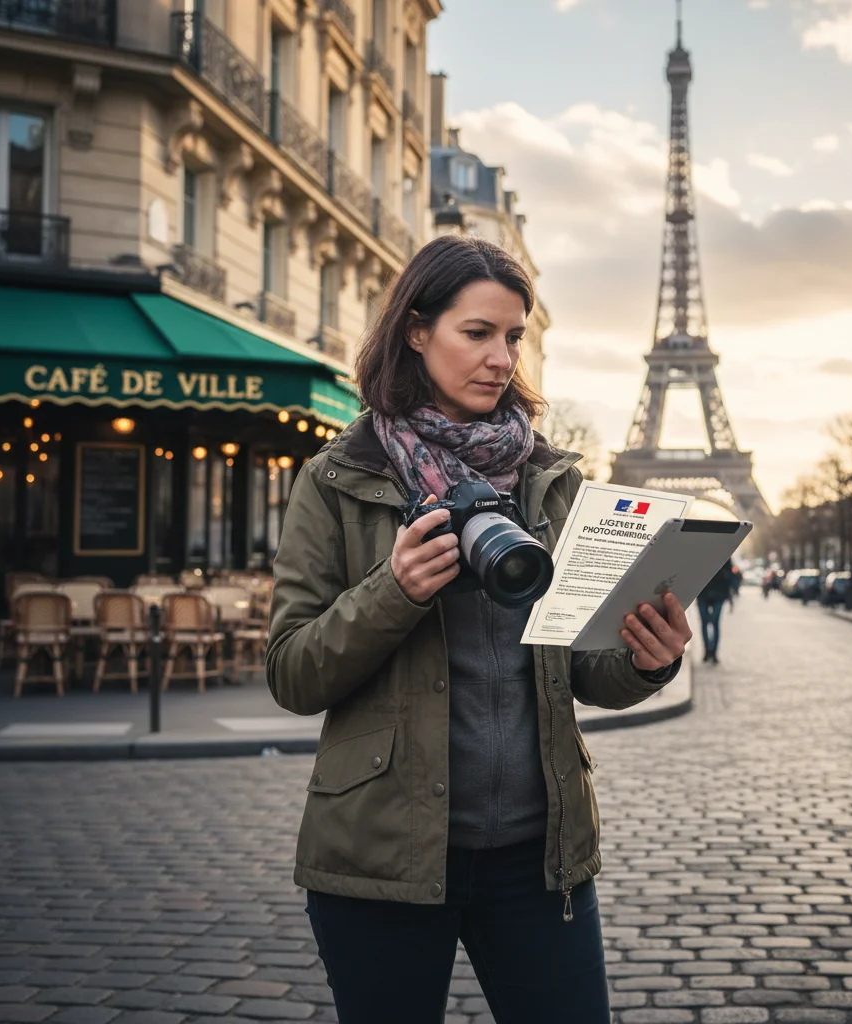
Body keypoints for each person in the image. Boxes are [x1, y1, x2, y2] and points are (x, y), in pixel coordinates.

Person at [265, 235, 692, 1024]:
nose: (502, 358)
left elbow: (586, 667)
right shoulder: (338, 480)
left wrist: (646, 658)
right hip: (382, 855)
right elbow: (293, 672)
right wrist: (395, 590)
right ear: (417, 331)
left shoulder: (550, 479)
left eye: (514, 336)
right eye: (477, 333)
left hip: (539, 856)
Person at [697, 557, 734, 664]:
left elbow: (730, 575)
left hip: (718, 593)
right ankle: (707, 650)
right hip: (703, 593)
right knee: (705, 622)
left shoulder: (724, 552)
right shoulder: (702, 552)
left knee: (714, 622)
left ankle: (713, 652)